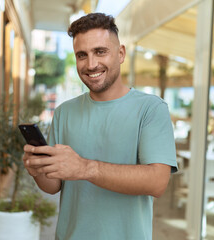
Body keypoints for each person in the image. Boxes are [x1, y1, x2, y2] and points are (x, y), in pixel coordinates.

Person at [23, 13, 177, 240]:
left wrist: (85, 168)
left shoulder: (151, 109)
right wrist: (37, 171)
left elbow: (157, 182)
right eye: (82, 55)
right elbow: (53, 185)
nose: (91, 64)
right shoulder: (64, 112)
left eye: (100, 51)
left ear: (121, 53)